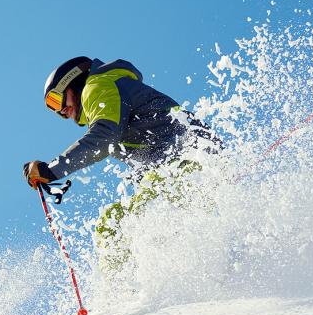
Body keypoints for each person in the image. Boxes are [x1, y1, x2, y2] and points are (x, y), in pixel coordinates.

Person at [23, 56, 216, 235]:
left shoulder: (97, 86)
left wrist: (52, 170)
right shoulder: (105, 95)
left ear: (72, 81)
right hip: (178, 168)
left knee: (135, 218)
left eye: (56, 100)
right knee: (112, 224)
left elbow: (104, 137)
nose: (62, 112)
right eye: (55, 110)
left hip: (191, 160)